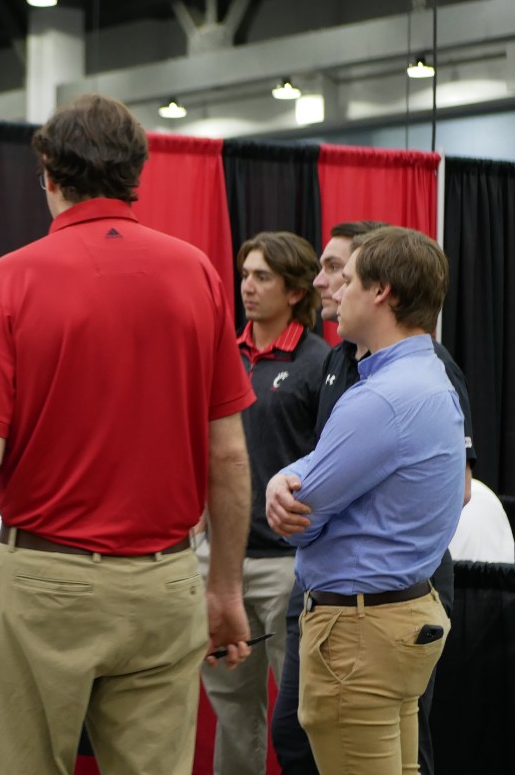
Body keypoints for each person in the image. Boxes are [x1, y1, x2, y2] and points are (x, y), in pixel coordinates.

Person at [0, 93, 256, 775]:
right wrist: (226, 590)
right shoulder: (196, 272)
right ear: (136, 172)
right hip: (165, 579)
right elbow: (228, 453)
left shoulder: (12, 278)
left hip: (45, 582)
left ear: (50, 175)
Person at [268, 221, 476, 775]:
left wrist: (285, 494)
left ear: (382, 292)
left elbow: (300, 519)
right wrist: (286, 478)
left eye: (349, 277)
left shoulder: (382, 398)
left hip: (359, 634)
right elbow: (323, 469)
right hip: (400, 614)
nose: (332, 288)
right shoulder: (426, 375)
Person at [200, 232, 328, 775]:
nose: (247, 288)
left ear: (297, 290)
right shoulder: (222, 355)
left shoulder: (321, 363)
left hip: (286, 564)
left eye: (263, 277)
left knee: (302, 712)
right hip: (218, 561)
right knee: (231, 710)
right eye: (245, 275)